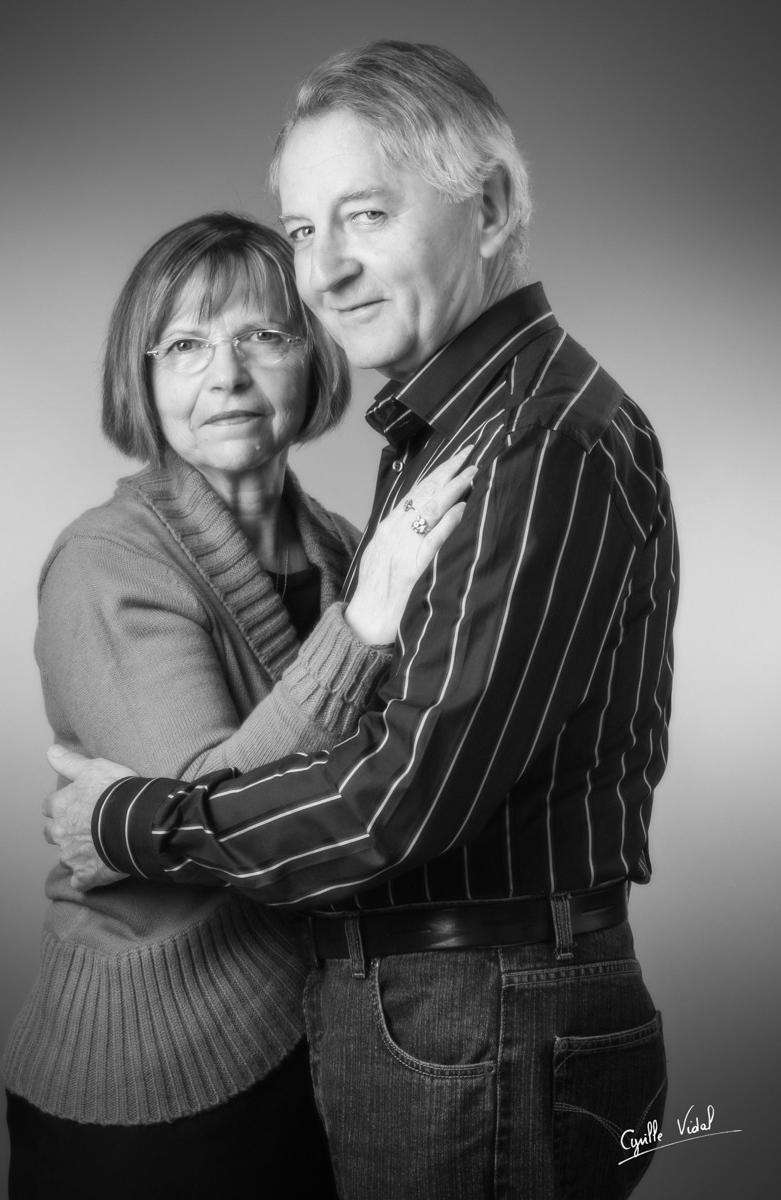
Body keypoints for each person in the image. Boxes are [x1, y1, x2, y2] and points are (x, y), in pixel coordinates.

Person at [45, 42, 679, 1199]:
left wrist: (130, 821)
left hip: (470, 1016)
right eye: (302, 230)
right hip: (359, 1034)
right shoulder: (442, 441)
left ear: (488, 208)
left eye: (366, 215)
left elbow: (394, 798)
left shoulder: (522, 443)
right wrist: (360, 622)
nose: (326, 270)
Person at [5, 211, 473, 1199]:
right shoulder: (108, 561)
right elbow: (202, 815)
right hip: (155, 1074)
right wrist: (366, 626)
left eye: (261, 335)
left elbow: (389, 796)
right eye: (185, 346)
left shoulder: (344, 548)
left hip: (326, 1042)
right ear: (142, 379)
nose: (225, 375)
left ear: (313, 357)